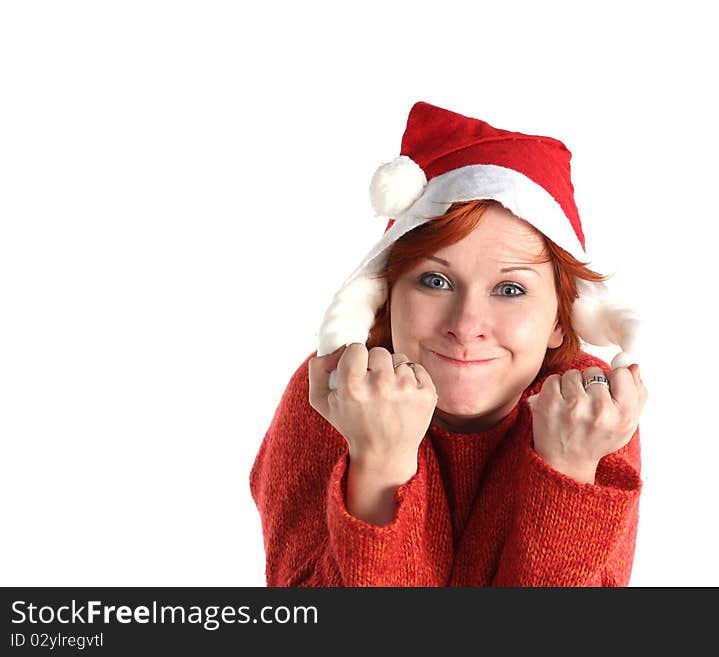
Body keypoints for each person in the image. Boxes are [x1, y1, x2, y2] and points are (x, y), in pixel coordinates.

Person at [249, 102, 647, 586]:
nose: (466, 324)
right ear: (386, 299)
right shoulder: (335, 393)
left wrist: (568, 470)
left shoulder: (589, 411)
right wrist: (378, 463)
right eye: (436, 281)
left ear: (561, 323)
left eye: (511, 289)